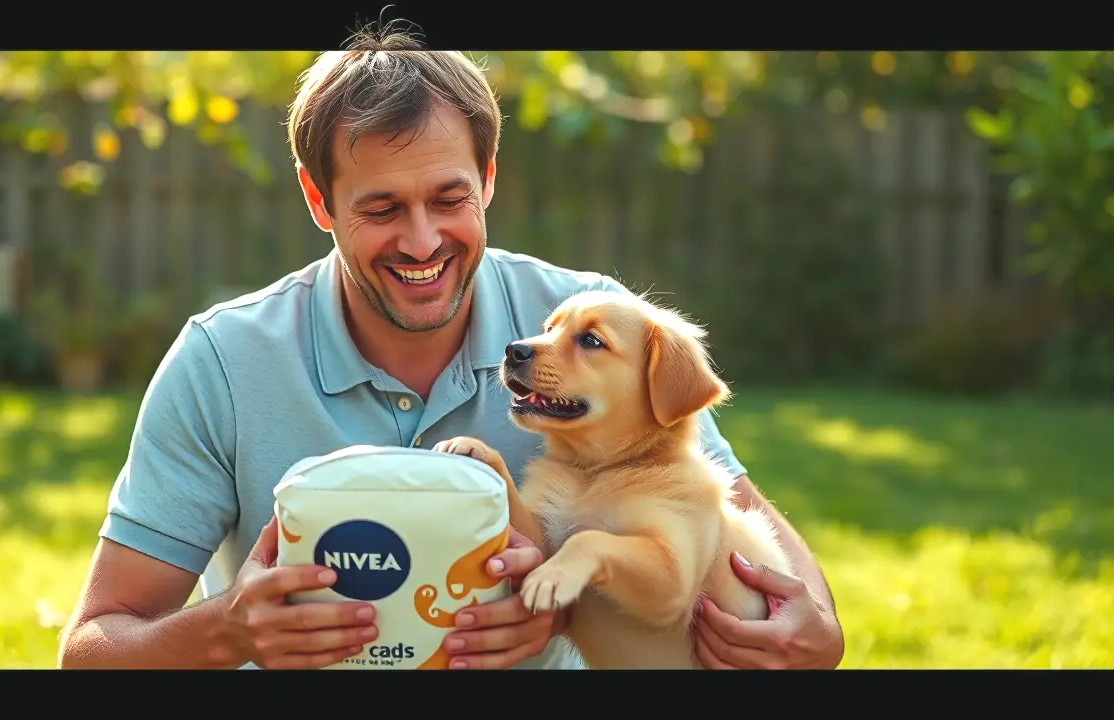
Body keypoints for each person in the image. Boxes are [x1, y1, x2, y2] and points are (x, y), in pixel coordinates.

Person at [57, 27, 845, 671]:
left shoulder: (582, 321)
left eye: (448, 198)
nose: (424, 241)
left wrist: (819, 623)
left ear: (490, 178)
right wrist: (227, 630)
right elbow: (93, 649)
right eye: (382, 207)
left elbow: (719, 505)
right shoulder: (223, 363)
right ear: (317, 200)